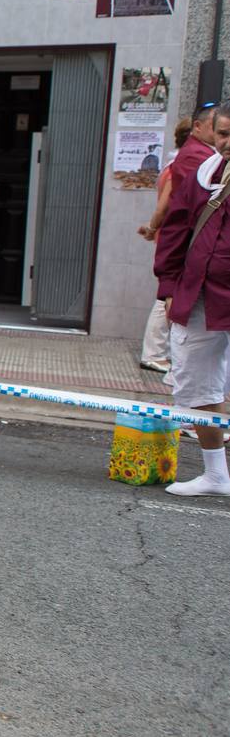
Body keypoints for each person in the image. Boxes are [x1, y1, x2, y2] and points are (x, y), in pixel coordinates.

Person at [156, 106, 230, 496]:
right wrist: (168, 287)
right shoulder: (203, 176)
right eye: (224, 134)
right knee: (195, 382)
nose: (228, 142)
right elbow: (175, 231)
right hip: (200, 293)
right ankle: (216, 475)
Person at [136, 116, 195, 373]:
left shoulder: (174, 163)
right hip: (173, 241)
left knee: (167, 295)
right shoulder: (179, 166)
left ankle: (159, 351)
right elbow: (165, 205)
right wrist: (152, 228)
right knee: (166, 297)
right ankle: (154, 353)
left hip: (169, 238)